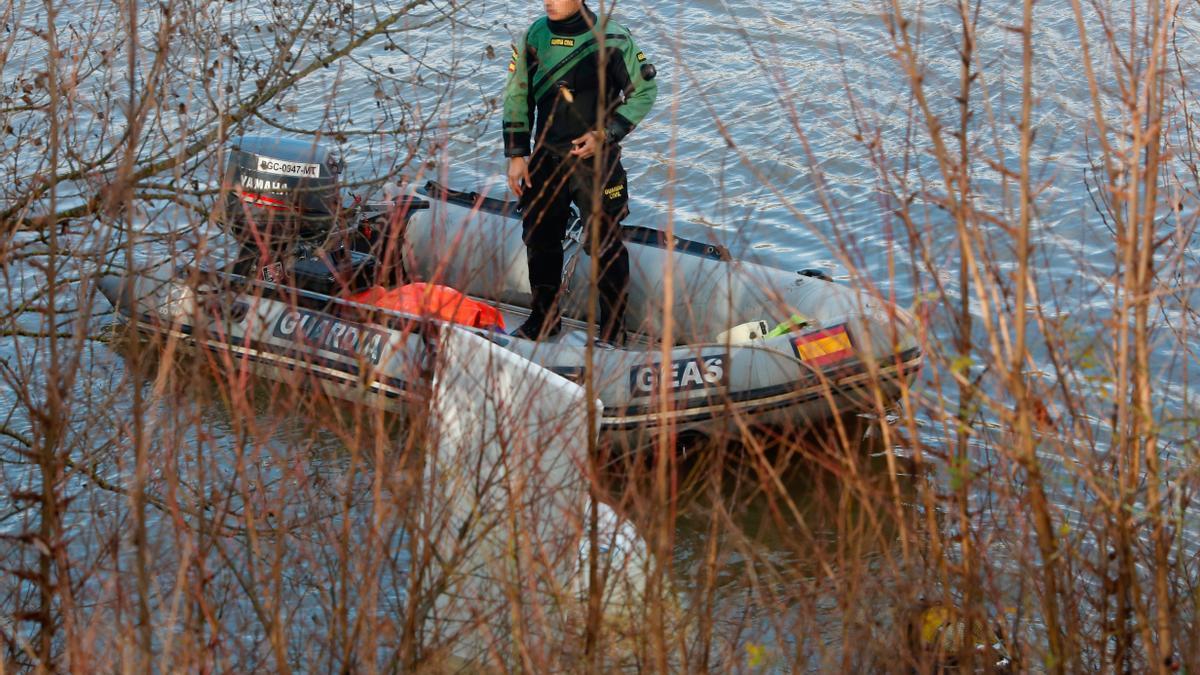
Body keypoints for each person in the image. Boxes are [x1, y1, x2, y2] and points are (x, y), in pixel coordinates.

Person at [502, 0, 658, 342]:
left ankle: (613, 330)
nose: (548, 1)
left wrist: (607, 134)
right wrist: (516, 154)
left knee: (605, 243)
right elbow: (517, 94)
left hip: (597, 161)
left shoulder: (613, 38)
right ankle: (544, 319)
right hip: (545, 159)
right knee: (540, 240)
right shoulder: (534, 35)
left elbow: (645, 91)